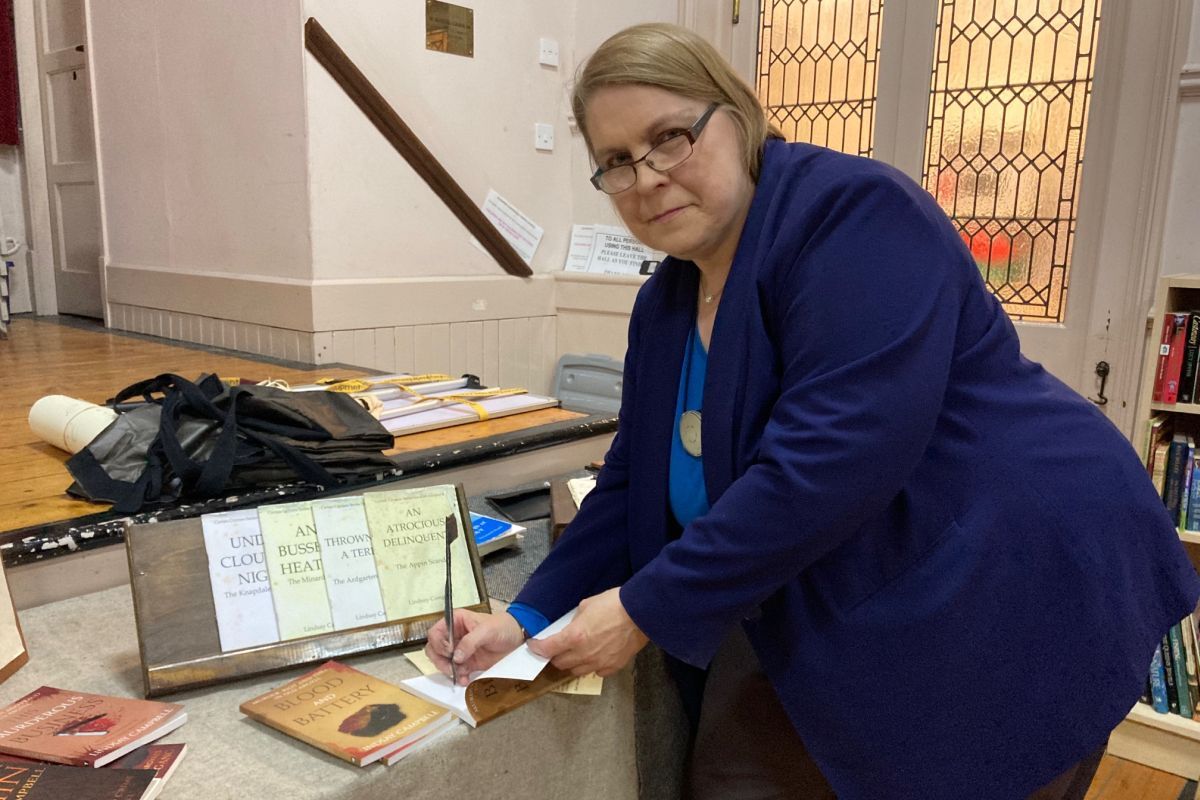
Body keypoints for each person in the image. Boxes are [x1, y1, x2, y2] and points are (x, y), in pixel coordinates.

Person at [426, 22, 1200, 800]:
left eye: (669, 138)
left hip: (1006, 571)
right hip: (833, 587)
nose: (648, 177)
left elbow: (836, 459)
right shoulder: (666, 302)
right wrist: (525, 616)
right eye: (616, 163)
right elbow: (632, 480)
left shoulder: (855, 216)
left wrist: (641, 608)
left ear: (740, 115)